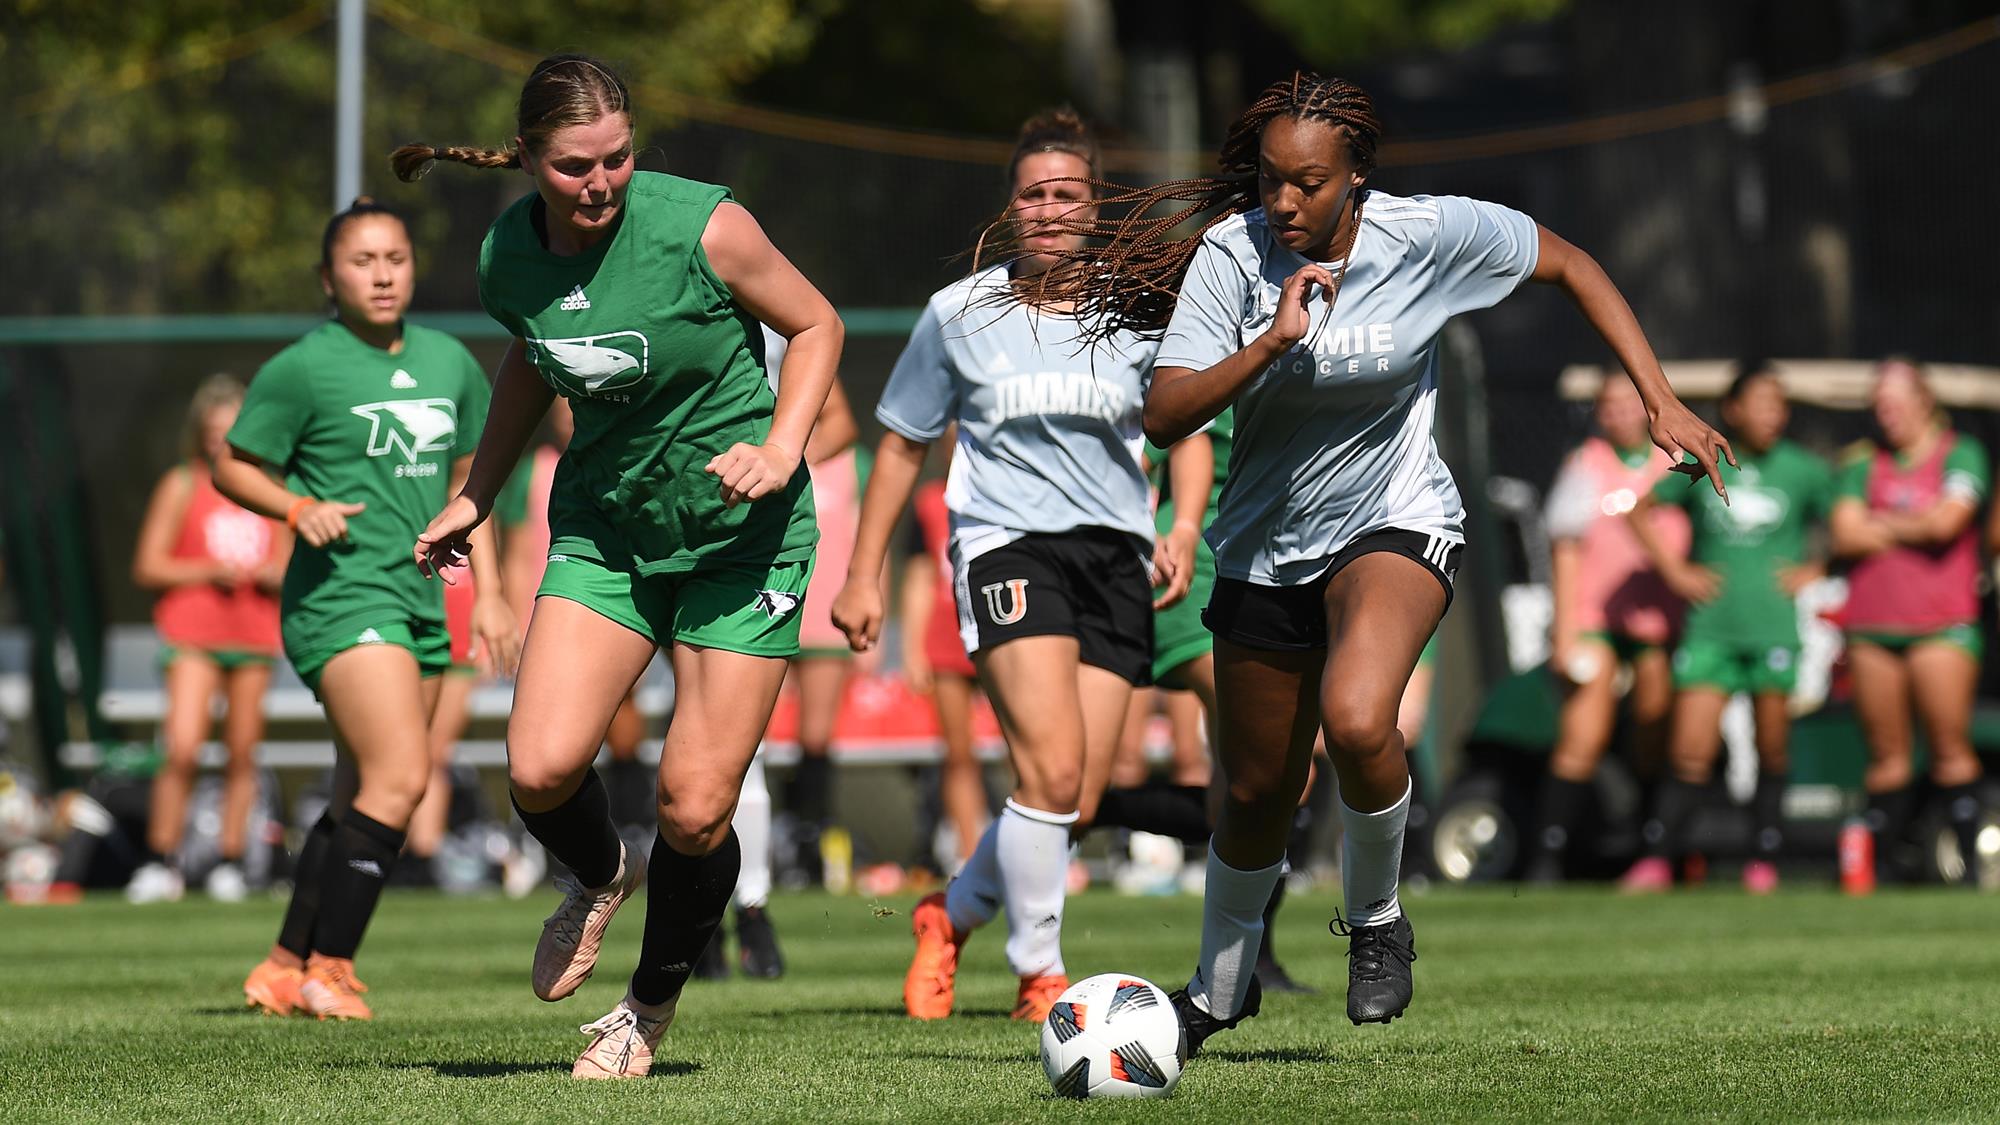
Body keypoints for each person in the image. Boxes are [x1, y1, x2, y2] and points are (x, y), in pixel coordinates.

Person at [1017, 71, 1731, 1049]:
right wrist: (1270, 341)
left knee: (1358, 719)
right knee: (1258, 792)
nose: (1283, 201)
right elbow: (1165, 411)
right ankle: (1219, 992)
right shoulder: (1232, 259)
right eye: (1270, 180)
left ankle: (1376, 923)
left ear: (1355, 177)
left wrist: (1655, 398)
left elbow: (1570, 264)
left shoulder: (1426, 234)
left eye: (1306, 183)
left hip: (1398, 521)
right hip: (1265, 548)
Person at [393, 52, 841, 1078]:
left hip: (743, 539)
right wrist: (476, 493)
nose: (599, 184)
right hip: (608, 530)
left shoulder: (703, 225)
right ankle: (599, 876)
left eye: (617, 159)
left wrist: (779, 447)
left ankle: (644, 1010)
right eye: (573, 167)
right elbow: (526, 356)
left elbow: (817, 324)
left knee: (693, 803)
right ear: (525, 162)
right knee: (541, 768)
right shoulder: (508, 254)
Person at [832, 108, 1198, 1024]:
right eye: (1032, 193)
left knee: (1073, 789)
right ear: (1010, 207)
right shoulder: (957, 314)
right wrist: (863, 571)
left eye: (1066, 192)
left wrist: (1183, 522)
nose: (1048, 208)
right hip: (1006, 544)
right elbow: (903, 445)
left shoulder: (1141, 309)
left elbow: (1181, 423)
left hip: (1115, 554)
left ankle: (947, 916)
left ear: (1094, 205)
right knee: (1050, 765)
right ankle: (1041, 972)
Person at [220, 198, 515, 1020]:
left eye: (395, 257)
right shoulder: (304, 368)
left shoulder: (451, 361)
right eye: (361, 260)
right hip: (342, 596)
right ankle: (330, 967)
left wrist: (489, 592)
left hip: (421, 600)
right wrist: (291, 506)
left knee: (363, 790)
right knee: (401, 777)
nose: (382, 273)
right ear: (328, 278)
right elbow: (231, 466)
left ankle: (283, 965)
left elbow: (472, 486)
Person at [1619, 364, 1833, 893]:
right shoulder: (1705, 459)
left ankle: (1764, 858)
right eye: (1762, 402)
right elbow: (1639, 511)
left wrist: (1817, 568)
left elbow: (1842, 522)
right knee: (1689, 748)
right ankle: (1660, 858)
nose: (1773, 414)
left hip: (1772, 629)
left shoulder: (1804, 470)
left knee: (1773, 746)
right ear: (1733, 409)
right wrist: (1675, 571)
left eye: (1780, 404)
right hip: (1711, 629)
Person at [128, 375, 290, 904]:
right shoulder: (182, 485)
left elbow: (292, 559)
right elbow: (149, 565)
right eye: (213, 430)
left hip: (253, 634)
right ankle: (161, 859)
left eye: (233, 429)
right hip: (194, 632)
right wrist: (205, 569)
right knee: (182, 747)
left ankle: (230, 860)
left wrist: (273, 573)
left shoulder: (274, 489)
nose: (222, 440)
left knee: (242, 751)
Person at [1524, 376, 1692, 882]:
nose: (1618, 412)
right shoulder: (1587, 464)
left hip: (1658, 623)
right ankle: (1546, 857)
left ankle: (1651, 849)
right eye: (1608, 404)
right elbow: (1566, 549)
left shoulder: (1676, 461)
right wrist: (1565, 631)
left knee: (1653, 724)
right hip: (1598, 620)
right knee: (1582, 733)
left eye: (1628, 402)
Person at [1830, 359, 1988, 884]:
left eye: (1896, 401)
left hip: (1941, 623)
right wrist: (1911, 525)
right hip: (1873, 623)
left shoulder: (1961, 453)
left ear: (1925, 401)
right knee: (1887, 755)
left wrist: (1882, 523)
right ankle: (1885, 869)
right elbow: (1846, 535)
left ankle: (1969, 872)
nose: (1886, 412)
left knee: (1949, 747)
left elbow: (1948, 523)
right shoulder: (1861, 462)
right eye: (1879, 403)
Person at [897, 459, 991, 873]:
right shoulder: (928, 501)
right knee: (958, 754)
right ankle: (970, 855)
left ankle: (1035, 854)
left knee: (1026, 750)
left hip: (1003, 624)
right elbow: (919, 577)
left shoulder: (1008, 488)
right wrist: (912, 650)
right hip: (945, 635)